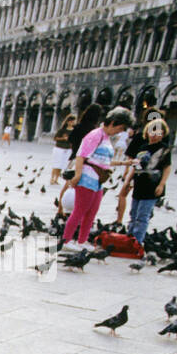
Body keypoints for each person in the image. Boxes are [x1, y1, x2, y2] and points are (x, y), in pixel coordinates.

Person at [62, 106, 134, 248]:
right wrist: (77, 176)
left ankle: (82, 241)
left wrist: (125, 162)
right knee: (79, 211)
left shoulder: (106, 138)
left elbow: (103, 161)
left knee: (92, 212)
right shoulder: (95, 134)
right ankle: (66, 240)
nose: (120, 132)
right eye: (120, 128)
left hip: (98, 180)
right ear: (113, 122)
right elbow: (81, 155)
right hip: (87, 177)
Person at [123, 117, 171, 245]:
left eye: (158, 133)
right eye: (152, 132)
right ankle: (129, 238)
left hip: (152, 186)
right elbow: (136, 166)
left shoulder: (164, 149)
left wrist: (161, 184)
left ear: (163, 134)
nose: (154, 136)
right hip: (139, 185)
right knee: (133, 214)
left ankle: (137, 242)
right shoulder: (143, 147)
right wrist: (128, 181)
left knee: (142, 216)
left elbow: (167, 168)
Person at [50, 113, 76, 184]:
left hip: (68, 149)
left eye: (73, 121)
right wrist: (63, 138)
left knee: (62, 165)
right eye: (71, 121)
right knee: (56, 164)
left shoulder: (75, 131)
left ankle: (56, 179)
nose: (72, 122)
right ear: (67, 122)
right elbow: (55, 138)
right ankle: (52, 178)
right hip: (59, 148)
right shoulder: (62, 130)